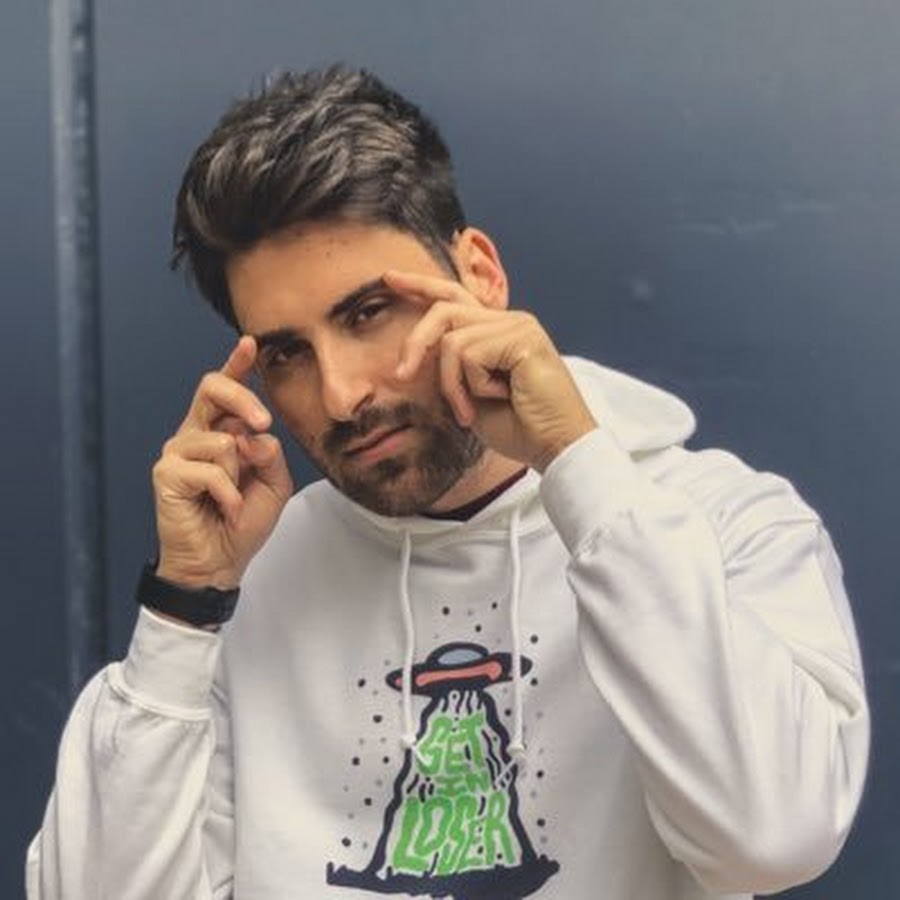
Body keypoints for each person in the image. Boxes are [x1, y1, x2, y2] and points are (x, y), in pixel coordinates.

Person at [27, 65, 869, 900]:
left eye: (368, 313)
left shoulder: (722, 522)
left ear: (481, 276)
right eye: (286, 353)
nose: (341, 395)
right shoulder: (245, 590)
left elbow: (774, 839)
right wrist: (184, 607)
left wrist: (580, 468)